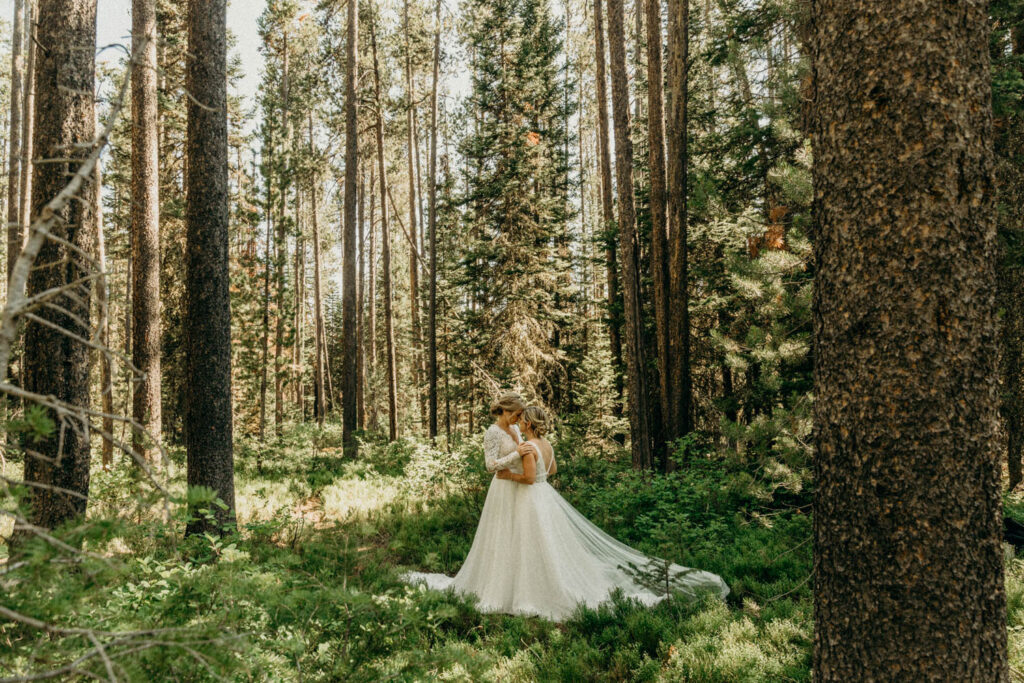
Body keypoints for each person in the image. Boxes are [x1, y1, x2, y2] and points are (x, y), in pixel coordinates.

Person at [406, 402, 730, 621]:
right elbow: (552, 471)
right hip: (545, 498)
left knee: (532, 547)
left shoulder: (530, 446)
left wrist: (509, 475)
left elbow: (530, 478)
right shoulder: (547, 445)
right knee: (546, 547)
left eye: (522, 419)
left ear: (528, 423)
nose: (518, 422)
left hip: (531, 497)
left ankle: (531, 589)